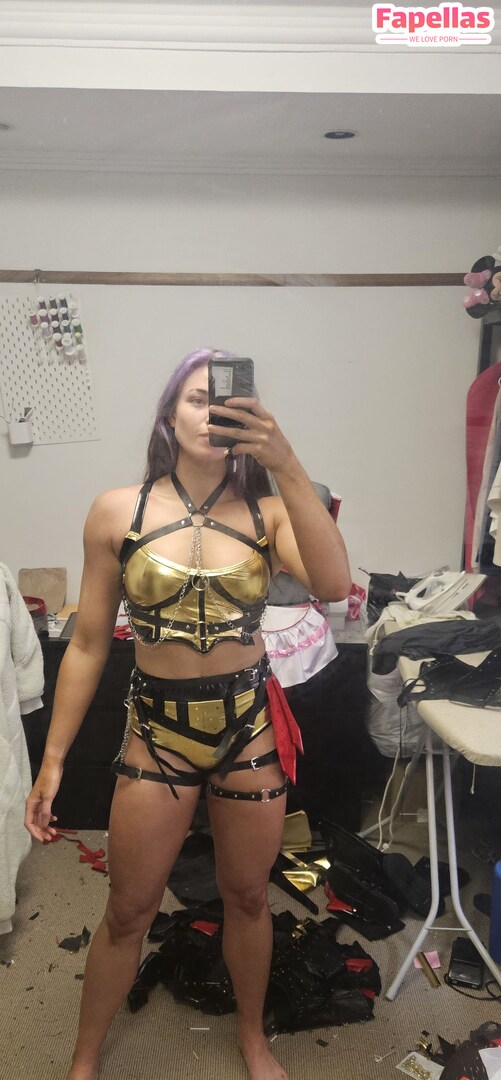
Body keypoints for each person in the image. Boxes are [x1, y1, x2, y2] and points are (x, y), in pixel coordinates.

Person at [25, 347, 351, 1080]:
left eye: (227, 402)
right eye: (197, 399)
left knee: (247, 897)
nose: (212, 414)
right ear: (169, 416)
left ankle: (253, 1040)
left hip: (247, 729)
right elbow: (86, 644)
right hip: (156, 733)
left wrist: (286, 461)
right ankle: (83, 1061)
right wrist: (52, 761)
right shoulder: (118, 510)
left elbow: (334, 584)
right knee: (128, 909)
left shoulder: (270, 512)